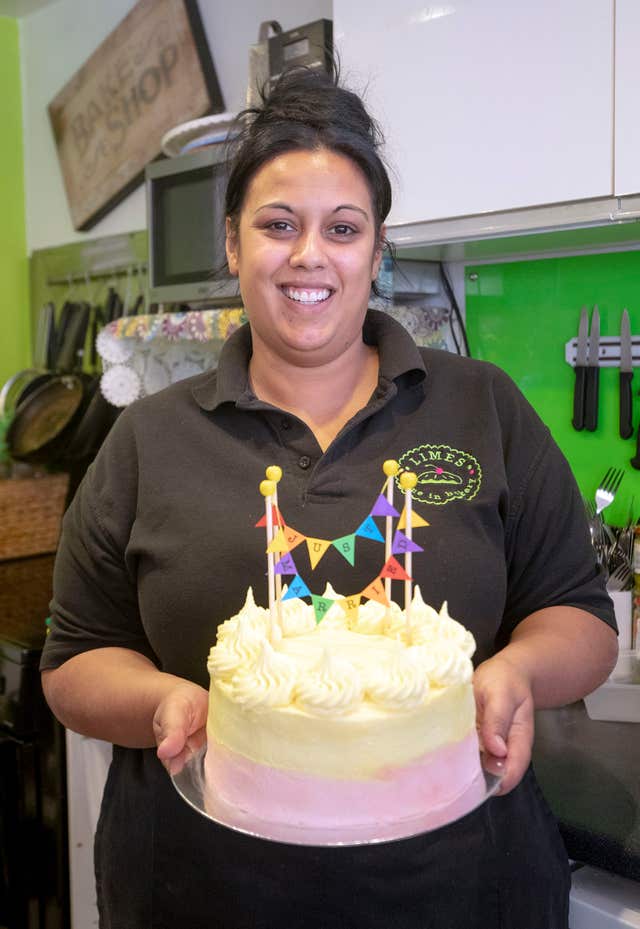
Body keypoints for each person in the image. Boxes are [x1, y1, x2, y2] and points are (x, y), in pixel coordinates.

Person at [40, 66, 617, 929]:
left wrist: (518, 672)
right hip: (203, 892)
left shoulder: (482, 405)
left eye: (342, 228)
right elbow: (73, 660)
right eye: (278, 224)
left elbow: (581, 618)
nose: (310, 255)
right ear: (233, 244)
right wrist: (164, 701)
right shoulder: (147, 439)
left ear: (377, 252)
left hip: (464, 889)